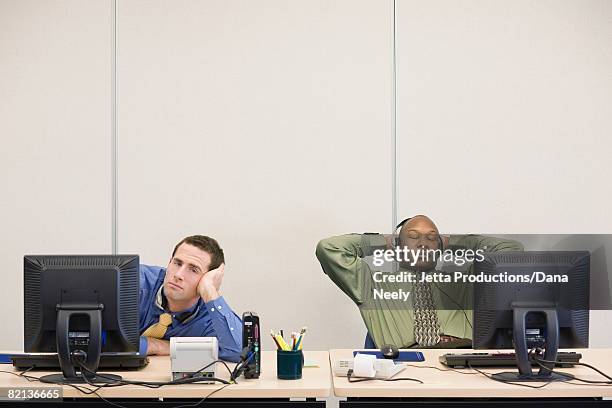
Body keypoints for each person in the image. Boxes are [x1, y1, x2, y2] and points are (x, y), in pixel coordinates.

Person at [315, 215, 523, 349]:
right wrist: (381, 242)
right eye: (413, 237)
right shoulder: (373, 284)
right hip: (403, 375)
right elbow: (328, 249)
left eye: (432, 238)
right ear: (397, 244)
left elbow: (511, 251)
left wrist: (456, 242)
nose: (423, 243)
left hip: (460, 370)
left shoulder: (464, 282)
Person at [138, 235, 242, 362]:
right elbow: (106, 340)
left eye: (193, 270)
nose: (178, 275)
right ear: (169, 262)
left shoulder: (210, 316)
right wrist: (146, 344)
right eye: (177, 263)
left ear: (207, 278)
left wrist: (209, 290)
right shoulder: (135, 283)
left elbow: (240, 352)